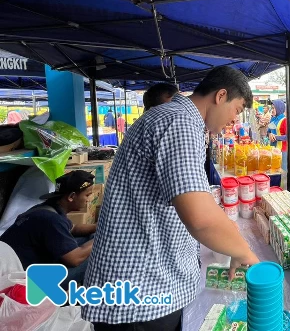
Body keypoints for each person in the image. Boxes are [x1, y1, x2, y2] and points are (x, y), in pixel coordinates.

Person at [82, 66, 260, 330]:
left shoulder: (177, 120)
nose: (234, 120)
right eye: (237, 109)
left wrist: (230, 241)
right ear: (221, 96)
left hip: (145, 285)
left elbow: (195, 198)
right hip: (140, 292)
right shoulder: (179, 123)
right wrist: (245, 252)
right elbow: (200, 219)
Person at [0, 170, 96, 290]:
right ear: (71, 197)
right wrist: (102, 237)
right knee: (96, 254)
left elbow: (73, 228)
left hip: (24, 268)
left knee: (90, 239)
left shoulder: (46, 209)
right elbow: (74, 259)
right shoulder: (51, 220)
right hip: (26, 283)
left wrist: (100, 227)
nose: (89, 199)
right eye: (87, 195)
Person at [268, 100, 290, 171]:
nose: (272, 110)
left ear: (279, 108)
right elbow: (269, 132)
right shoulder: (272, 119)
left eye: (273, 108)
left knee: (282, 171)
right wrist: (269, 135)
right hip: (272, 148)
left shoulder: (285, 120)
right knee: (273, 170)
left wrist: (276, 137)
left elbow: (288, 136)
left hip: (282, 151)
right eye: (271, 108)